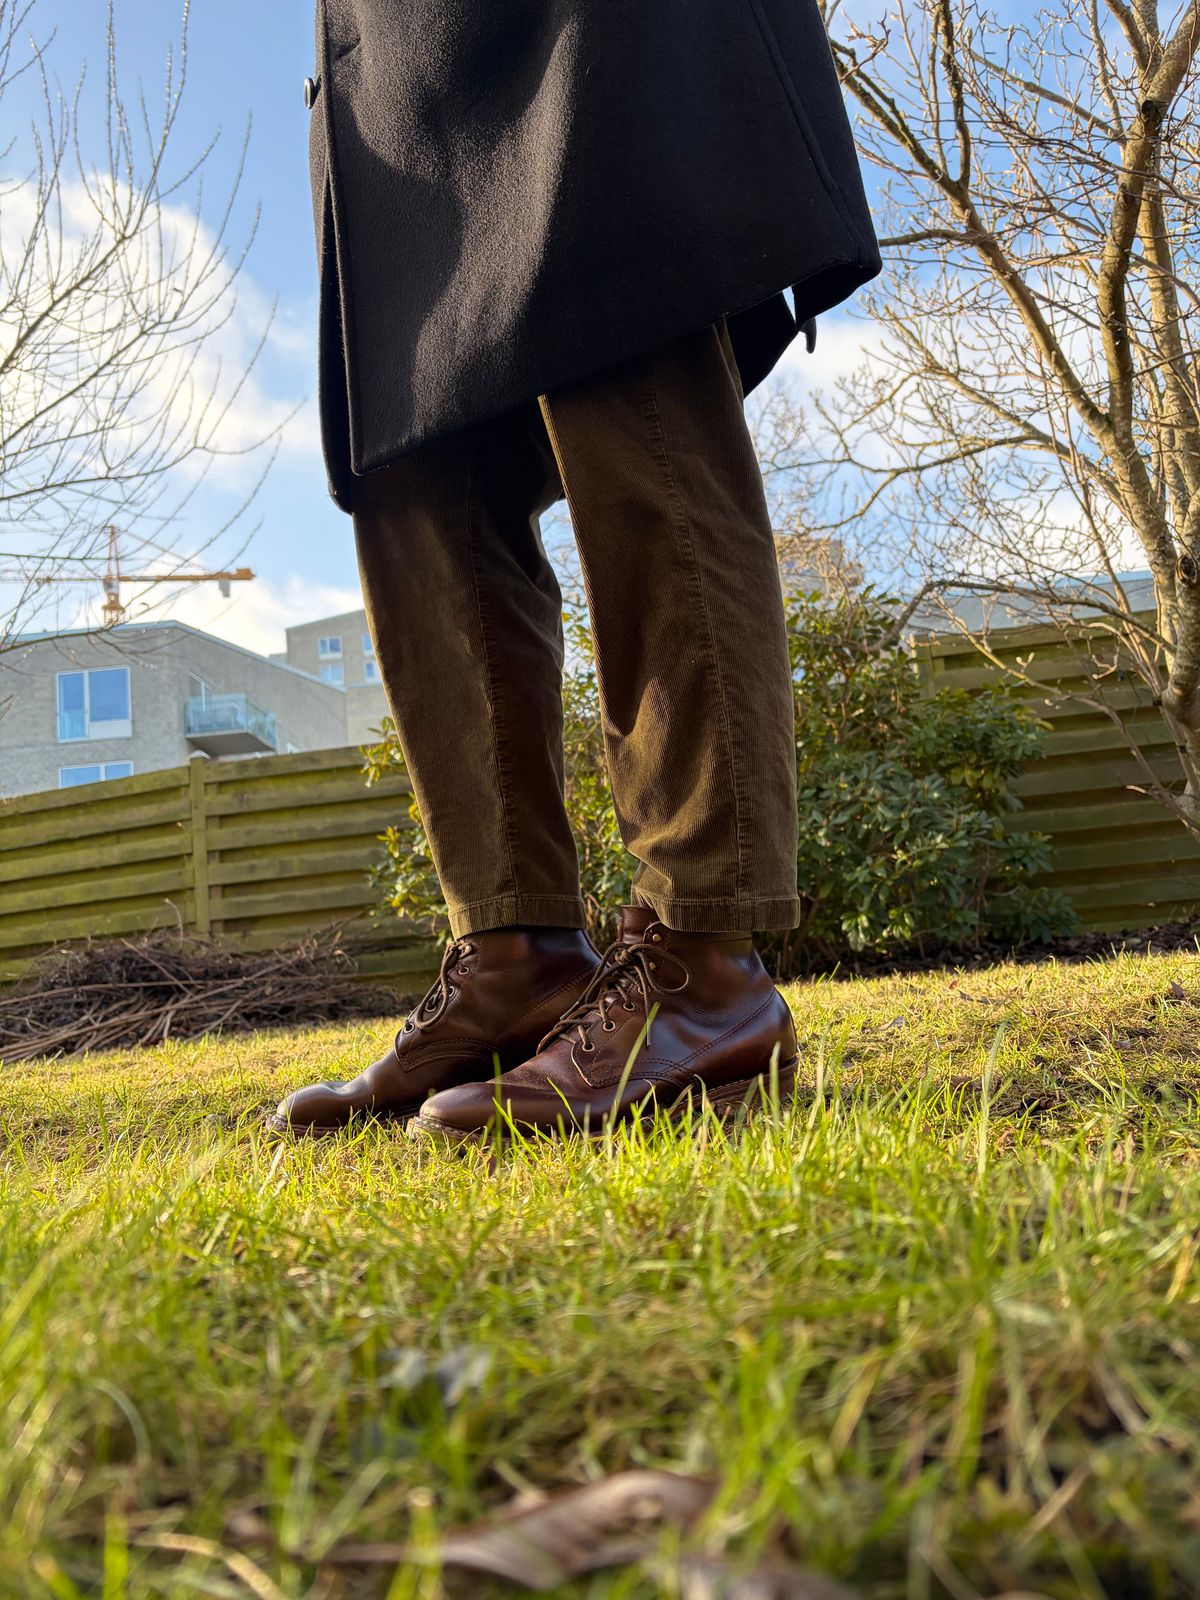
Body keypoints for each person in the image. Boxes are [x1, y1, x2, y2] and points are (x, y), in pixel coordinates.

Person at [271, 0, 879, 1143]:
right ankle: (513, 955)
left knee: (620, 344)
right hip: (387, 56)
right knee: (412, 464)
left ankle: (705, 964)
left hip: (582, 28)